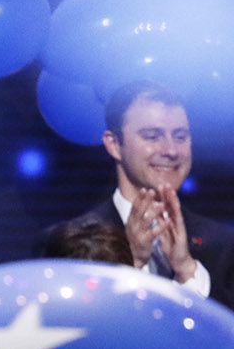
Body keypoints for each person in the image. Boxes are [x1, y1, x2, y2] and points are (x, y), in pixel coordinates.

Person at [38, 81, 234, 310]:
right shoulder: (65, 244)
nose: (171, 151)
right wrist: (129, 263)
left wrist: (188, 270)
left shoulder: (225, 245)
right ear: (114, 145)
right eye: (152, 136)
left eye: (180, 136)